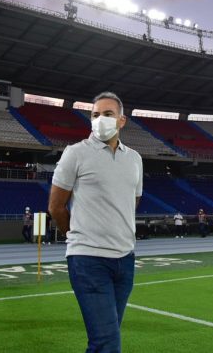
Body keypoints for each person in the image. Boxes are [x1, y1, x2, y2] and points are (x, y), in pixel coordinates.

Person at [49, 91, 143, 352]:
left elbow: (133, 200)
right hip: (88, 259)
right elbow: (56, 207)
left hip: (125, 260)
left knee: (106, 338)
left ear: (121, 120)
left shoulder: (135, 159)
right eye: (95, 114)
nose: (100, 119)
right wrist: (78, 236)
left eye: (108, 114)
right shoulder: (75, 153)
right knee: (107, 343)